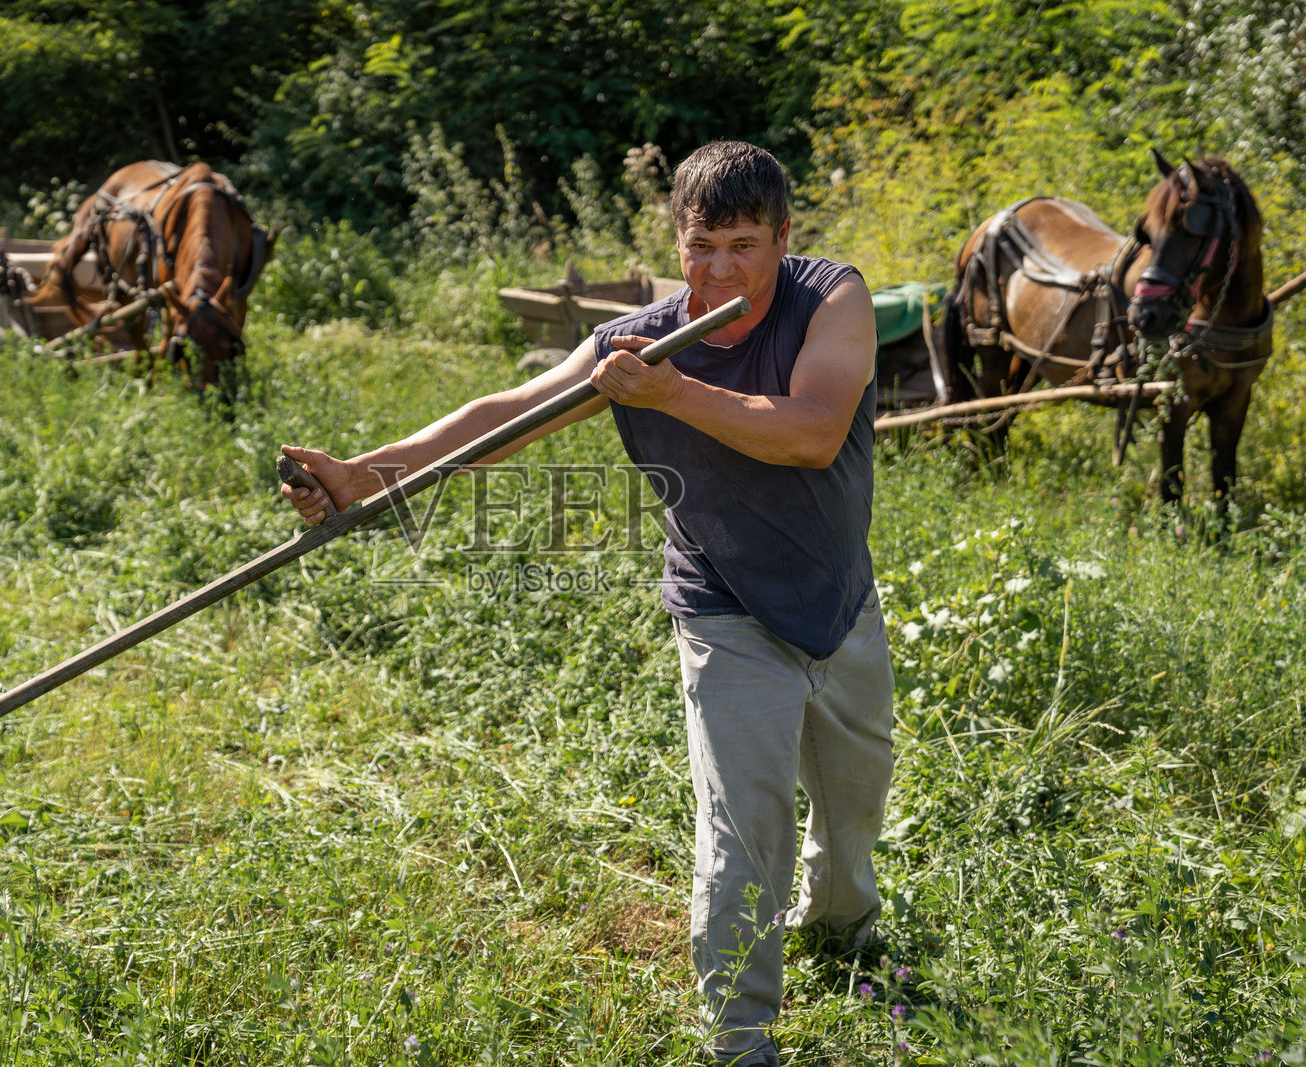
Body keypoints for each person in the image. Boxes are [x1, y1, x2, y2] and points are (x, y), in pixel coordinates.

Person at [279, 140, 894, 1067]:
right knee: (742, 826)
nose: (720, 267)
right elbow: (510, 411)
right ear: (674, 240)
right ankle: (740, 1035)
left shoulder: (829, 297)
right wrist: (366, 478)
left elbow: (811, 433)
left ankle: (841, 929)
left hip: (838, 600)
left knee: (853, 813)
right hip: (722, 605)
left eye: (741, 244)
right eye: (700, 245)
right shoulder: (631, 346)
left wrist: (675, 393)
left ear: (782, 235)